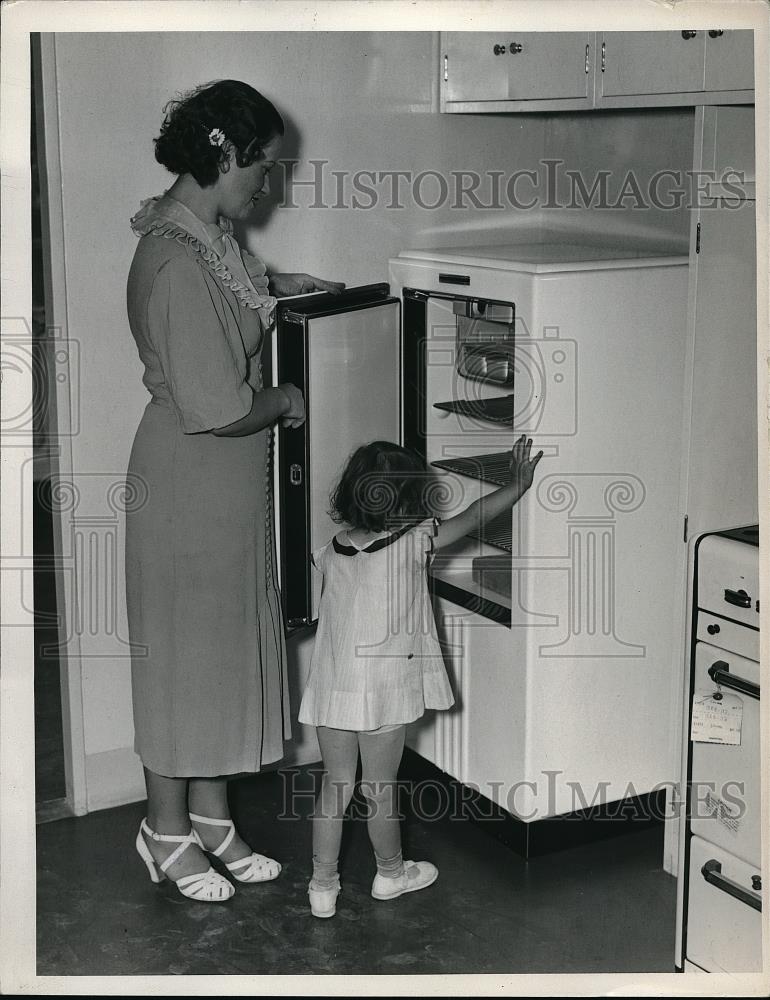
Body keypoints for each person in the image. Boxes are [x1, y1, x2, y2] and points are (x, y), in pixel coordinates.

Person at [126, 79, 343, 902]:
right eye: (262, 167)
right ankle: (163, 830)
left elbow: (236, 301)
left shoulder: (203, 233)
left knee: (218, 653)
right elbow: (218, 407)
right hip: (190, 475)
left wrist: (285, 292)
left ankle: (211, 819)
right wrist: (285, 401)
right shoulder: (173, 258)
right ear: (224, 155)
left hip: (220, 483)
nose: (268, 185)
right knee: (185, 658)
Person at [298, 435, 543, 917]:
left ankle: (321, 886)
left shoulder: (331, 549)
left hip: (332, 690)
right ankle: (391, 874)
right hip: (384, 692)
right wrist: (516, 485)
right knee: (380, 788)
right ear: (412, 499)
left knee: (337, 784)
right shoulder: (414, 541)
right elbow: (471, 520)